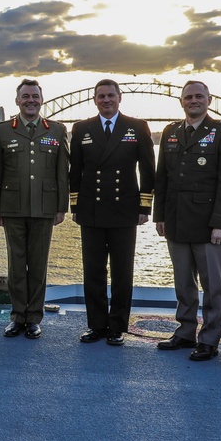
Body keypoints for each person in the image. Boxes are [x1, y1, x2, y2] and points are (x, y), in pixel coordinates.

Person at [153, 81, 221, 361]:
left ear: (209, 100)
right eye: (189, 97)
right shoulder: (171, 133)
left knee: (213, 286)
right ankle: (184, 332)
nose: (194, 101)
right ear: (181, 102)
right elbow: (162, 179)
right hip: (176, 221)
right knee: (183, 283)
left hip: (208, 225)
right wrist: (160, 217)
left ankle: (210, 339)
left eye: (199, 96)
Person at [69, 78, 154, 346]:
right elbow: (75, 172)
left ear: (120, 98)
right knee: (92, 271)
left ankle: (117, 326)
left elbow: (148, 170)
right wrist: (75, 205)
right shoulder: (82, 128)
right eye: (101, 96)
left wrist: (144, 207)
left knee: (122, 272)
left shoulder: (137, 127)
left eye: (110, 95)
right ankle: (96, 325)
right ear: (95, 99)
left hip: (124, 210)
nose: (106, 100)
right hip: (91, 211)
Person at [0, 78, 68, 340]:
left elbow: (61, 173)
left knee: (38, 265)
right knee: (16, 265)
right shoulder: (2, 131)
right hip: (12, 207)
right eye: (25, 96)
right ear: (17, 101)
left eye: (35, 96)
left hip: (45, 208)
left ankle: (34, 317)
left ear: (41, 99)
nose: (30, 101)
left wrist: (61, 207)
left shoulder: (56, 130)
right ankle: (17, 316)